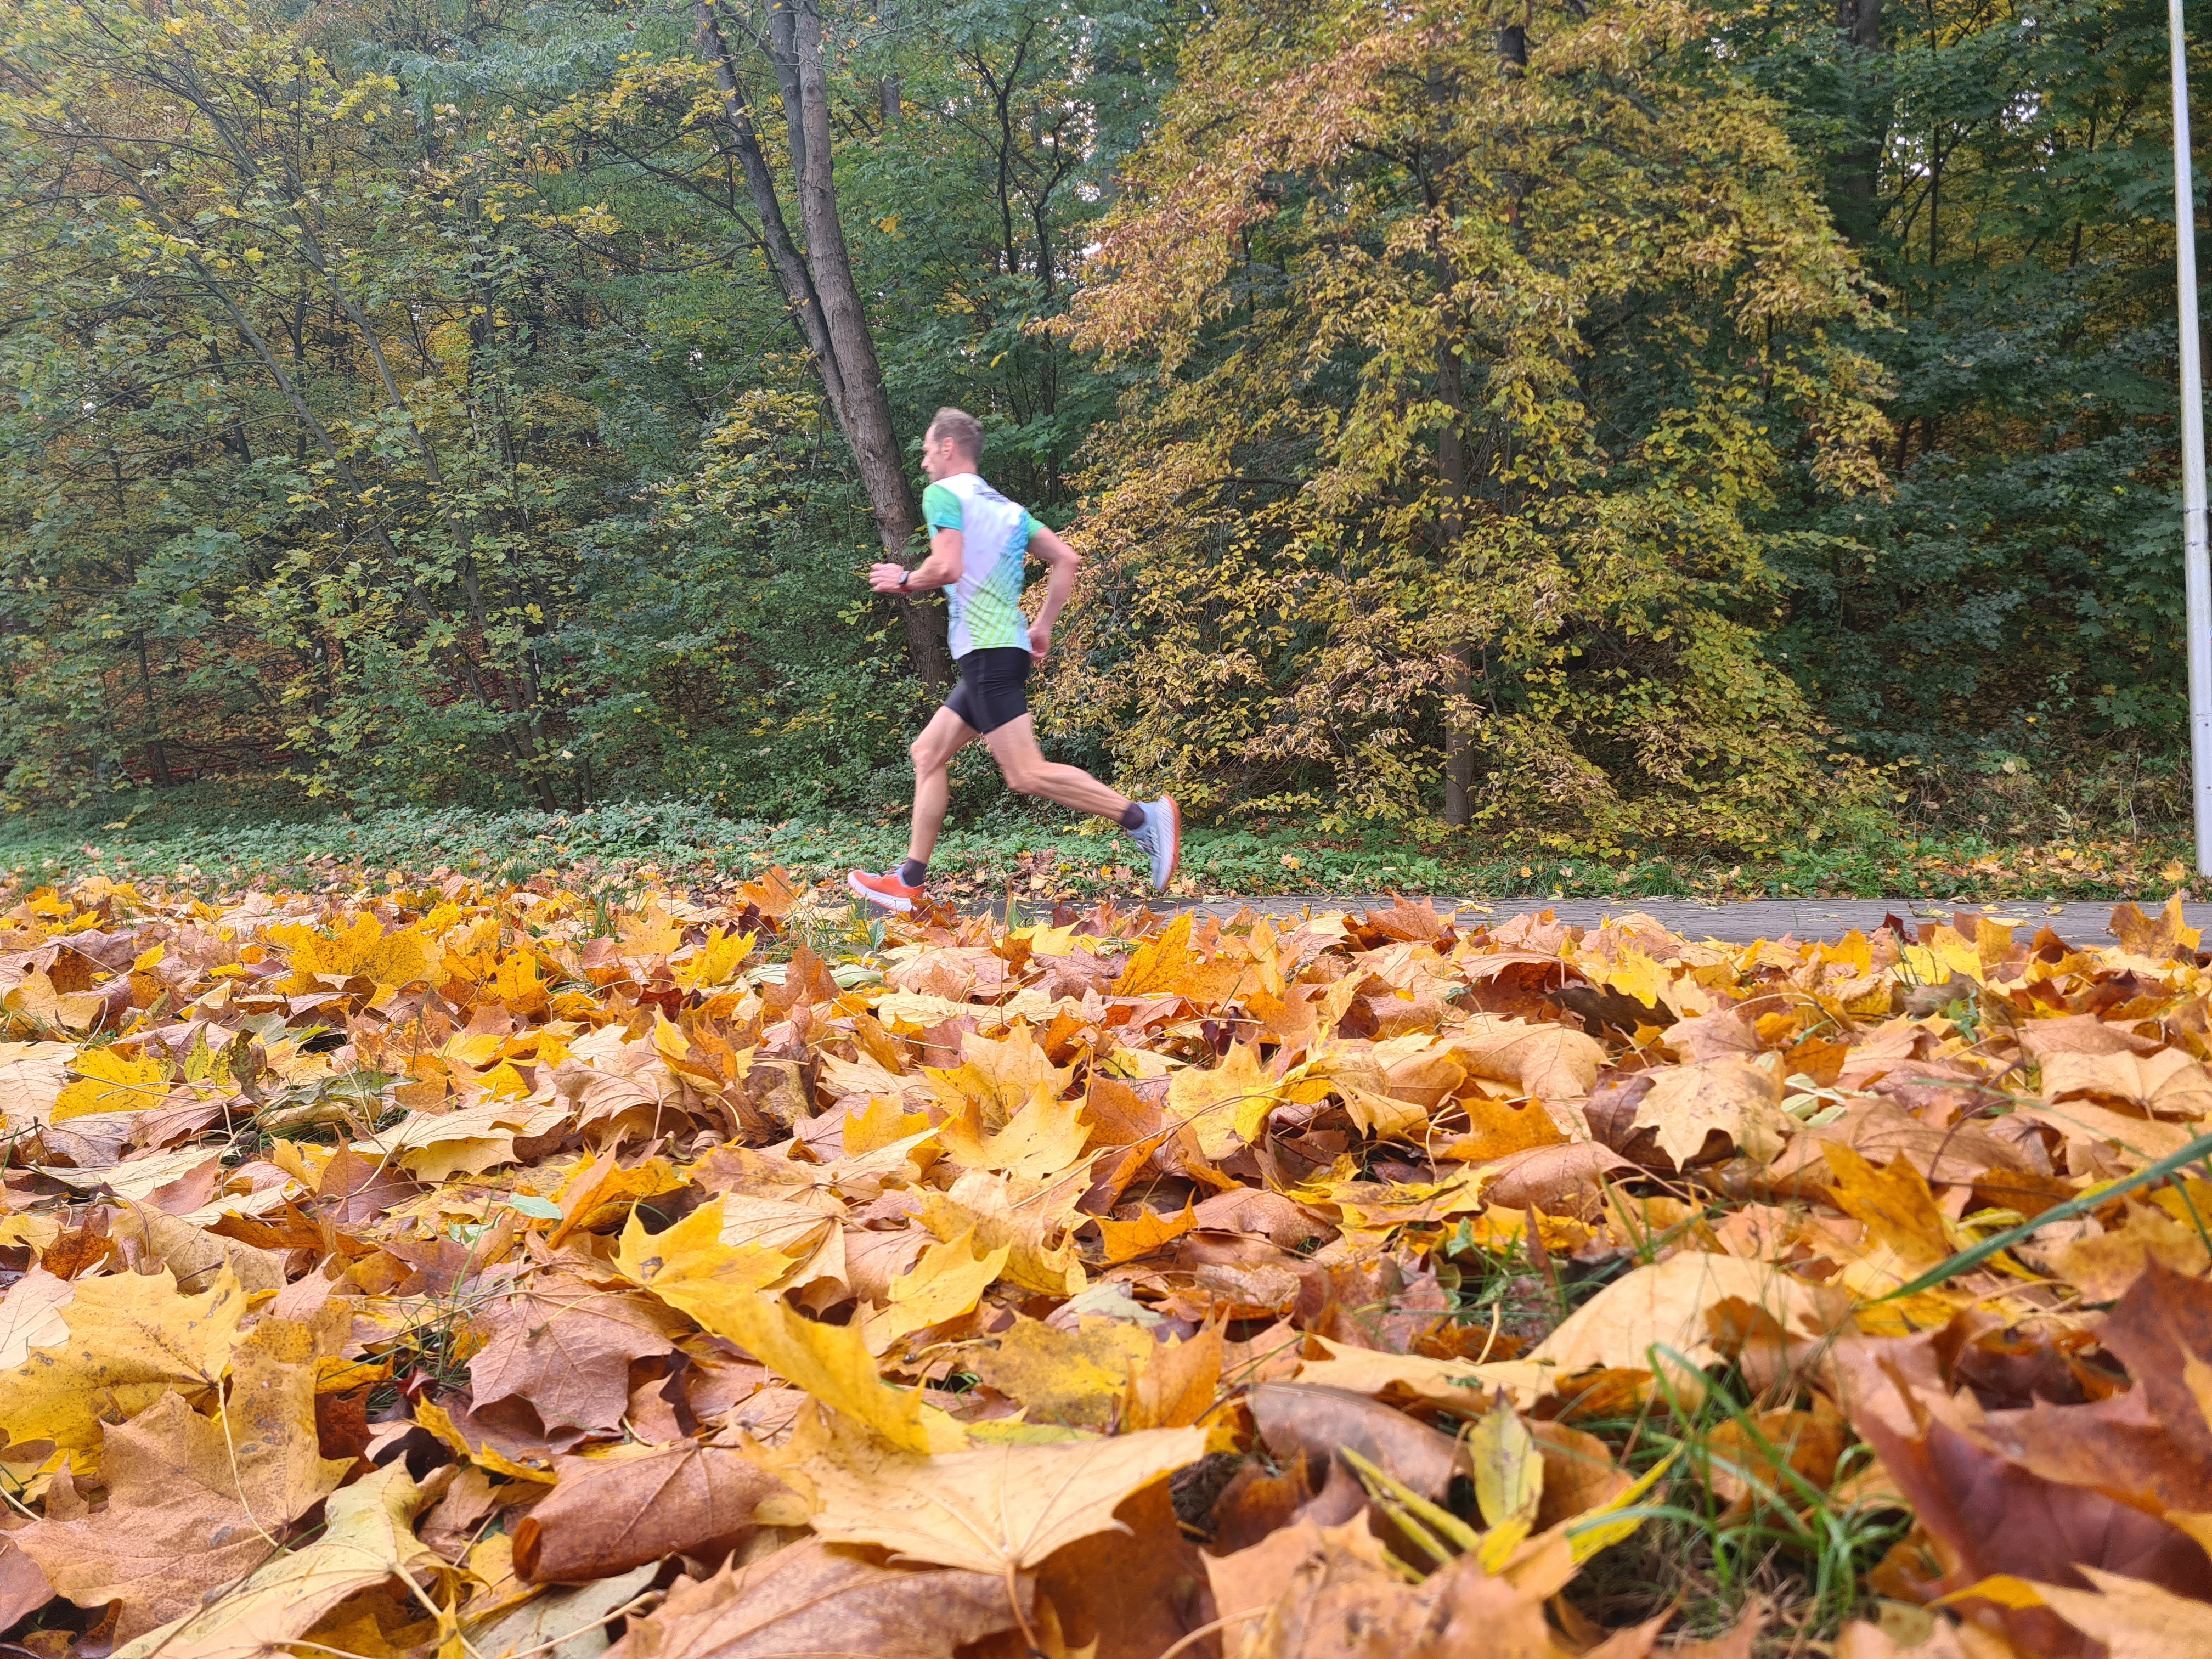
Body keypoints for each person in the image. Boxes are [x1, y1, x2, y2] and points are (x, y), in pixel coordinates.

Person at [847, 407, 1178, 912]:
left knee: (1025, 773)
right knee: (927, 753)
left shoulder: (944, 495)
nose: (922, 462)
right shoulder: (1008, 509)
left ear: (947, 448)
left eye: (926, 450)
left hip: (988, 652)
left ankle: (1141, 818)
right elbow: (1066, 558)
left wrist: (906, 580)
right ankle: (909, 882)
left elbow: (948, 566)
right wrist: (1042, 627)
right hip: (1002, 649)